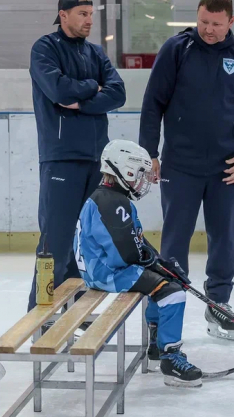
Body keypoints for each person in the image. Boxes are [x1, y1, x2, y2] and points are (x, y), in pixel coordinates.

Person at [139, 0, 234, 341]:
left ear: (231, 21)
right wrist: (149, 152)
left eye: (215, 23)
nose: (208, 30)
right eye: (203, 22)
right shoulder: (176, 50)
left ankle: (219, 305)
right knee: (174, 243)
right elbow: (153, 103)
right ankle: (166, 311)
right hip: (179, 167)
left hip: (226, 168)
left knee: (223, 239)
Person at [74, 139, 203, 388]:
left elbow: (136, 244)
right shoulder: (113, 203)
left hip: (101, 269)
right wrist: (156, 266)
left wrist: (161, 264)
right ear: (126, 170)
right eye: (140, 174)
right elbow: (128, 256)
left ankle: (157, 346)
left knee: (166, 283)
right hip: (106, 273)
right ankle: (170, 358)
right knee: (172, 294)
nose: (143, 181)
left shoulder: (110, 198)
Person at [28, 0, 126, 311]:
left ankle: (76, 313)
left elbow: (118, 93)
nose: (88, 20)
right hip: (61, 159)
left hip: (96, 161)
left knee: (85, 243)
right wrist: (92, 89)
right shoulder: (44, 49)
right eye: (82, 14)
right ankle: (39, 315)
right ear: (63, 15)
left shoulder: (96, 53)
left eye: (91, 15)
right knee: (55, 243)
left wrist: (78, 100)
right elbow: (56, 89)